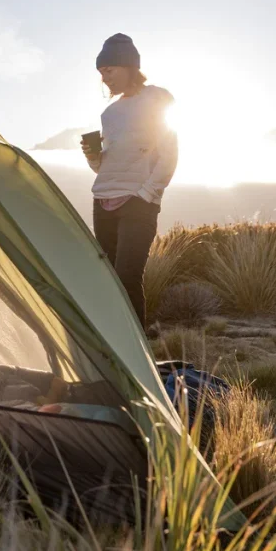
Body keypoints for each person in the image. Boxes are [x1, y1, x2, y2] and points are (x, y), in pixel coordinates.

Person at [81, 33, 178, 334]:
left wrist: (147, 194)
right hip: (103, 201)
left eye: (108, 70)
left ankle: (138, 355)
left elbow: (169, 152)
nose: (104, 77)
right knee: (109, 280)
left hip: (138, 203)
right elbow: (103, 167)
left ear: (128, 66)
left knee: (127, 275)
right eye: (101, 73)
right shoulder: (109, 112)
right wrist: (92, 156)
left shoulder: (157, 98)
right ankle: (116, 347)